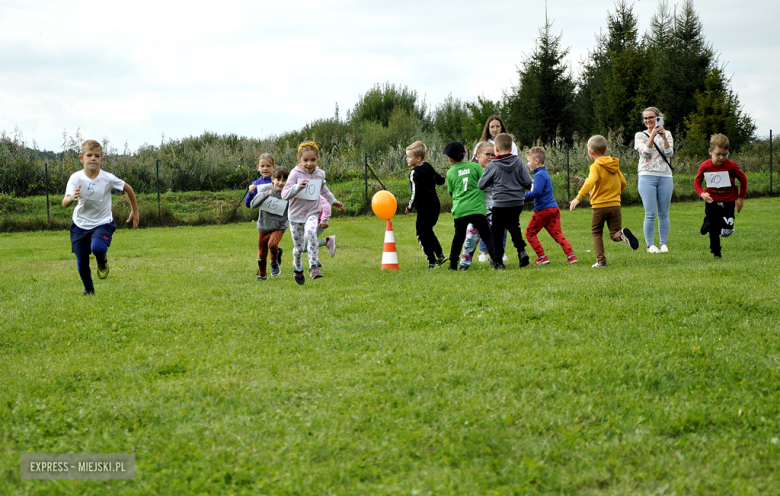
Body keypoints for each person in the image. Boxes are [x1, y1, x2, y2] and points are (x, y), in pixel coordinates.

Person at [62, 139, 139, 295]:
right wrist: (72, 198)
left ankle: (101, 260)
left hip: (102, 222)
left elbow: (128, 189)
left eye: (97, 156)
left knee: (97, 248)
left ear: (102, 160)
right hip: (80, 224)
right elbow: (65, 202)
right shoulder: (76, 178)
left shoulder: (108, 178)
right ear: (81, 158)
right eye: (89, 155)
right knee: (82, 260)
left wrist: (135, 210)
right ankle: (89, 289)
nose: (93, 158)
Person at [569, 135, 639, 267]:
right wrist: (615, 195)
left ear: (590, 152)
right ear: (606, 149)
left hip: (599, 205)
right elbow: (623, 182)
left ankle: (601, 260)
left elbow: (590, 181)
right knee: (614, 234)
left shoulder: (595, 166)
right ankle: (622, 235)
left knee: (596, 232)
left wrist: (578, 198)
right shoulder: (614, 165)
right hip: (615, 205)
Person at [281, 141, 344, 284]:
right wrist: (297, 187)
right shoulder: (295, 173)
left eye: (313, 160)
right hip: (296, 216)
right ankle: (298, 268)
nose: (309, 163)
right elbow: (285, 194)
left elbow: (324, 190)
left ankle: (314, 266)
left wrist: (333, 201)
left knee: (311, 233)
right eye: (306, 160)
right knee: (298, 248)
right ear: (299, 160)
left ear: (318, 159)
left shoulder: (320, 174)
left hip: (312, 212)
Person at [477, 133, 533, 270]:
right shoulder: (519, 162)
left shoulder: (493, 165)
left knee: (497, 231)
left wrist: (493, 183)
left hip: (500, 203)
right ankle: (521, 251)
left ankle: (498, 261)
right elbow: (527, 182)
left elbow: (481, 185)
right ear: (511, 148)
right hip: (517, 202)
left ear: (496, 148)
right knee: (514, 226)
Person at [443, 141, 496, 271]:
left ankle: (453, 264)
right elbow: (483, 184)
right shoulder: (476, 167)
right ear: (465, 153)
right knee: (487, 235)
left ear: (450, 158)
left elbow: (451, 192)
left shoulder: (450, 172)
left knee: (458, 238)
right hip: (477, 208)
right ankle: (497, 261)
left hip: (460, 209)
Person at [694, 133, 747, 259]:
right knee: (714, 228)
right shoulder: (705, 166)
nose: (721, 157)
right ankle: (716, 252)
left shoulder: (731, 166)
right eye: (718, 154)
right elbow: (697, 182)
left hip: (729, 200)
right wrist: (701, 194)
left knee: (727, 230)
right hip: (711, 200)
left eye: (725, 154)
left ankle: (709, 223)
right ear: (710, 152)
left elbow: (743, 179)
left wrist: (740, 197)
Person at [524, 147, 577, 265]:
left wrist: (522, 197)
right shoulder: (544, 173)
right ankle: (571, 256)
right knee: (557, 234)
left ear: (536, 161)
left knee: (529, 233)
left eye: (528, 161)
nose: (527, 164)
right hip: (553, 209)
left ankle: (542, 257)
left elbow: (536, 192)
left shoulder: (539, 175)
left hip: (543, 210)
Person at [459, 142, 507, 268]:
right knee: (471, 238)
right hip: (476, 211)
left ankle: (495, 260)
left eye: (493, 155)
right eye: (488, 154)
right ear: (478, 154)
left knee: (496, 237)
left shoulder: (496, 169)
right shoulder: (472, 170)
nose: (491, 157)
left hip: (493, 210)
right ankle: (464, 263)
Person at [634, 107, 674, 253]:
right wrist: (651, 136)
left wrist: (663, 137)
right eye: (645, 118)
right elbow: (645, 153)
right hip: (646, 175)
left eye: (651, 117)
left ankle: (663, 244)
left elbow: (669, 154)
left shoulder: (667, 134)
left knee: (664, 213)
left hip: (665, 176)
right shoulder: (640, 135)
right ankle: (650, 245)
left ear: (658, 118)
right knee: (650, 213)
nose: (648, 121)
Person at [403, 140, 447, 269]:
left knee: (421, 234)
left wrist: (409, 207)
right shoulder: (428, 166)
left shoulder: (414, 173)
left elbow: (415, 192)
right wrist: (442, 179)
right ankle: (440, 255)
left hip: (424, 208)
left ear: (418, 158)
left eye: (409, 157)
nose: (407, 159)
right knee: (428, 230)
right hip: (435, 206)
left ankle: (432, 262)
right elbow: (439, 180)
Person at [250, 166, 289, 280]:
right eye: (278, 179)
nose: (281, 183)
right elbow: (253, 204)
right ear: (273, 179)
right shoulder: (265, 189)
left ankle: (274, 262)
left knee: (272, 244)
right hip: (263, 226)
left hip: (279, 226)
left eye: (284, 180)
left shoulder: (288, 193)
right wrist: (266, 194)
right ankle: (262, 275)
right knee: (262, 254)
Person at [302, 195, 337, 265]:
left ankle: (327, 241)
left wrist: (323, 220)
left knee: (302, 247)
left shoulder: (313, 192)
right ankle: (318, 264)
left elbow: (326, 206)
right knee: (307, 244)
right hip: (306, 222)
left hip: (317, 223)